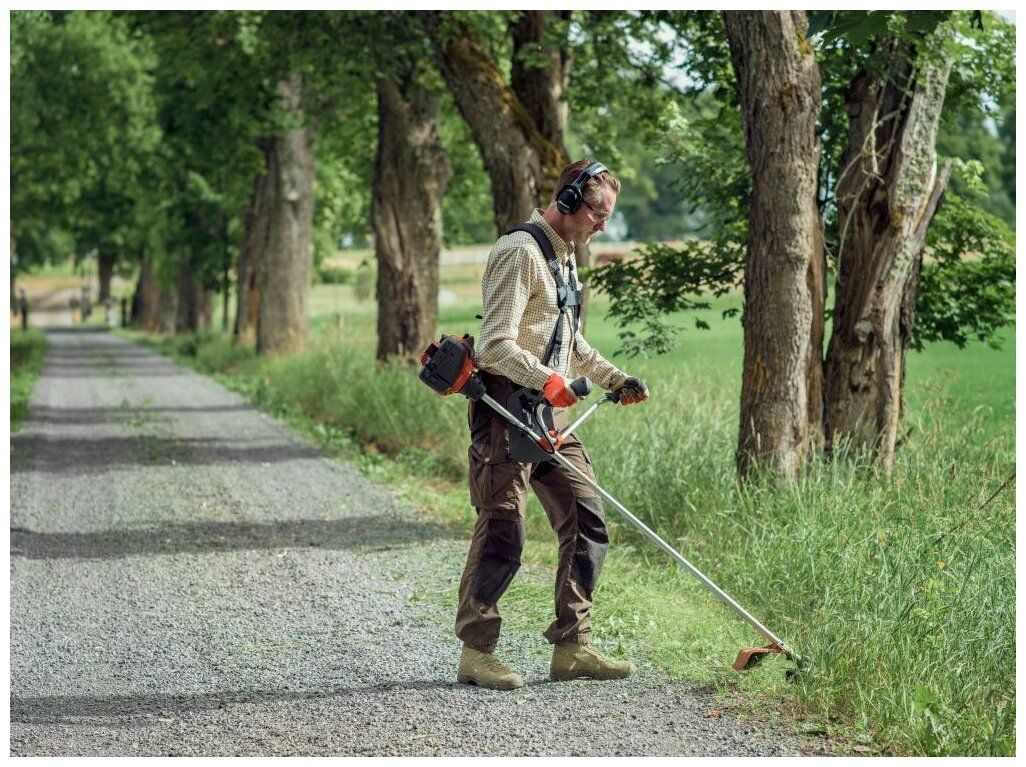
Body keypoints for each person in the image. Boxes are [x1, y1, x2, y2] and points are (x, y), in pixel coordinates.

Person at [456, 159, 650, 690]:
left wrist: (614, 378)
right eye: (596, 212)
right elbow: (495, 344)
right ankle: (477, 651)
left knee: (586, 517)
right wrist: (547, 380)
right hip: (504, 410)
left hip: (549, 412)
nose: (602, 225)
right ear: (567, 201)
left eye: (607, 215)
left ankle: (573, 646)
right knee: (504, 529)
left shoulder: (565, 260)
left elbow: (572, 343)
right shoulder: (518, 252)